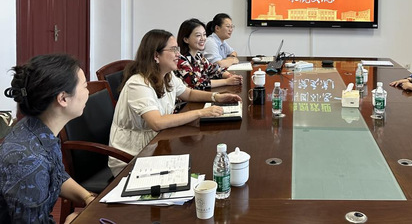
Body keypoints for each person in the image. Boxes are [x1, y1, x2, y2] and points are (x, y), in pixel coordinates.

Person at [108, 29, 242, 176]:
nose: (178, 54)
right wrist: (200, 113)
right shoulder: (138, 84)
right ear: (156, 56)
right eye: (173, 50)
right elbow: (157, 122)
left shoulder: (167, 75)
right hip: (132, 157)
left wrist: (216, 97)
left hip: (157, 144)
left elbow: (188, 93)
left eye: (178, 49)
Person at [1, 54, 96, 224]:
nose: (88, 92)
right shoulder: (29, 161)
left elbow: (55, 174)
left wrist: (87, 197)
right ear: (63, 98)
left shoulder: (35, 127)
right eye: (84, 86)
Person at [175, 18, 243, 90]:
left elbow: (214, 70)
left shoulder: (199, 56)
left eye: (204, 35)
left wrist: (230, 76)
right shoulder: (180, 60)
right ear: (186, 39)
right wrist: (226, 81)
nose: (203, 38)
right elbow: (197, 84)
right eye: (198, 35)